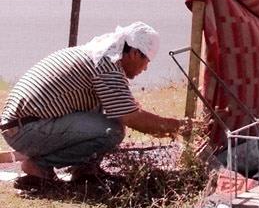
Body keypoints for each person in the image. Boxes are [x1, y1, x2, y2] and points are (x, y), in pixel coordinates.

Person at [0, 22, 194, 187]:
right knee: (113, 130)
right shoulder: (107, 64)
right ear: (135, 53)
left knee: (104, 114)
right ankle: (40, 165)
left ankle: (84, 170)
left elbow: (125, 105)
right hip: (25, 130)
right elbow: (133, 118)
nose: (146, 68)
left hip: (24, 124)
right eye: (147, 61)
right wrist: (182, 127)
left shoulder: (103, 54)